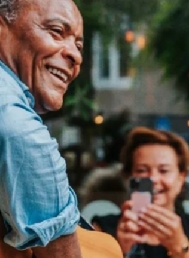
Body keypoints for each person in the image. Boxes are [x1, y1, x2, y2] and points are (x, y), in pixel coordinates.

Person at [0, 0, 85, 257]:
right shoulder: (13, 116)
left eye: (79, 45)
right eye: (57, 31)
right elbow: (16, 133)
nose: (75, 55)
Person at [92, 127, 189, 258]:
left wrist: (179, 246)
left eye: (164, 170)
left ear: (181, 178)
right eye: (142, 170)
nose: (153, 179)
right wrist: (120, 250)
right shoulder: (104, 229)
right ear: (129, 178)